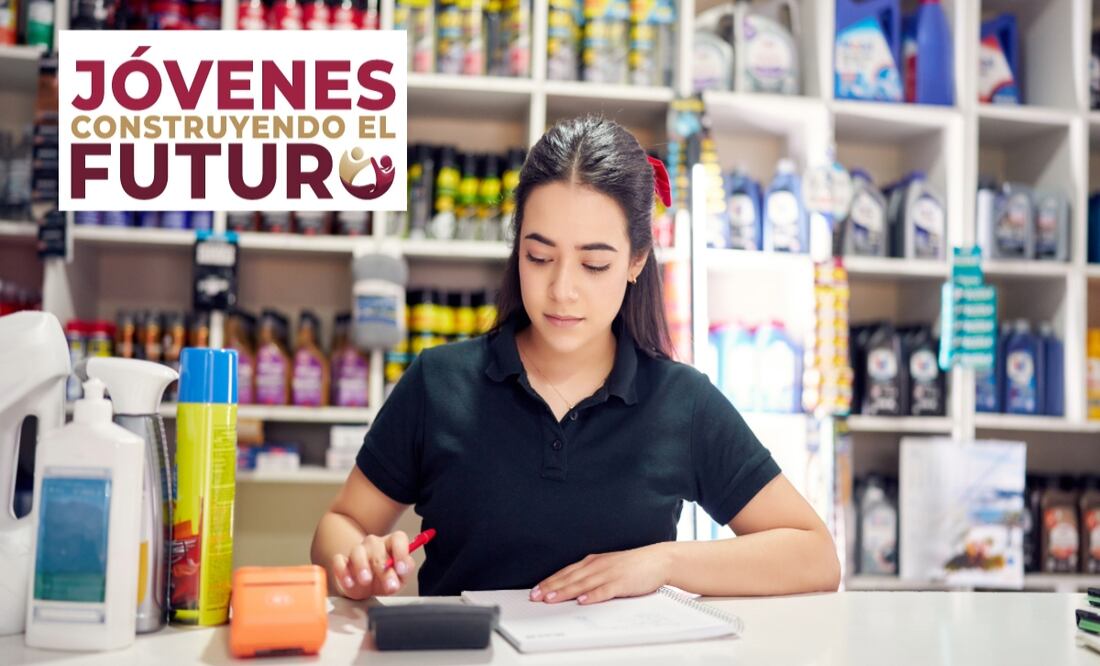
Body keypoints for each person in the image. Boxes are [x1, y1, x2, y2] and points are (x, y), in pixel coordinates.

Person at [311, 115, 841, 605]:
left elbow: (814, 555)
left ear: (635, 261)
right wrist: (355, 562)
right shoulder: (438, 383)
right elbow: (341, 524)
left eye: (593, 264)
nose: (562, 290)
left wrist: (663, 563)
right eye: (539, 257)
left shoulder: (682, 402)